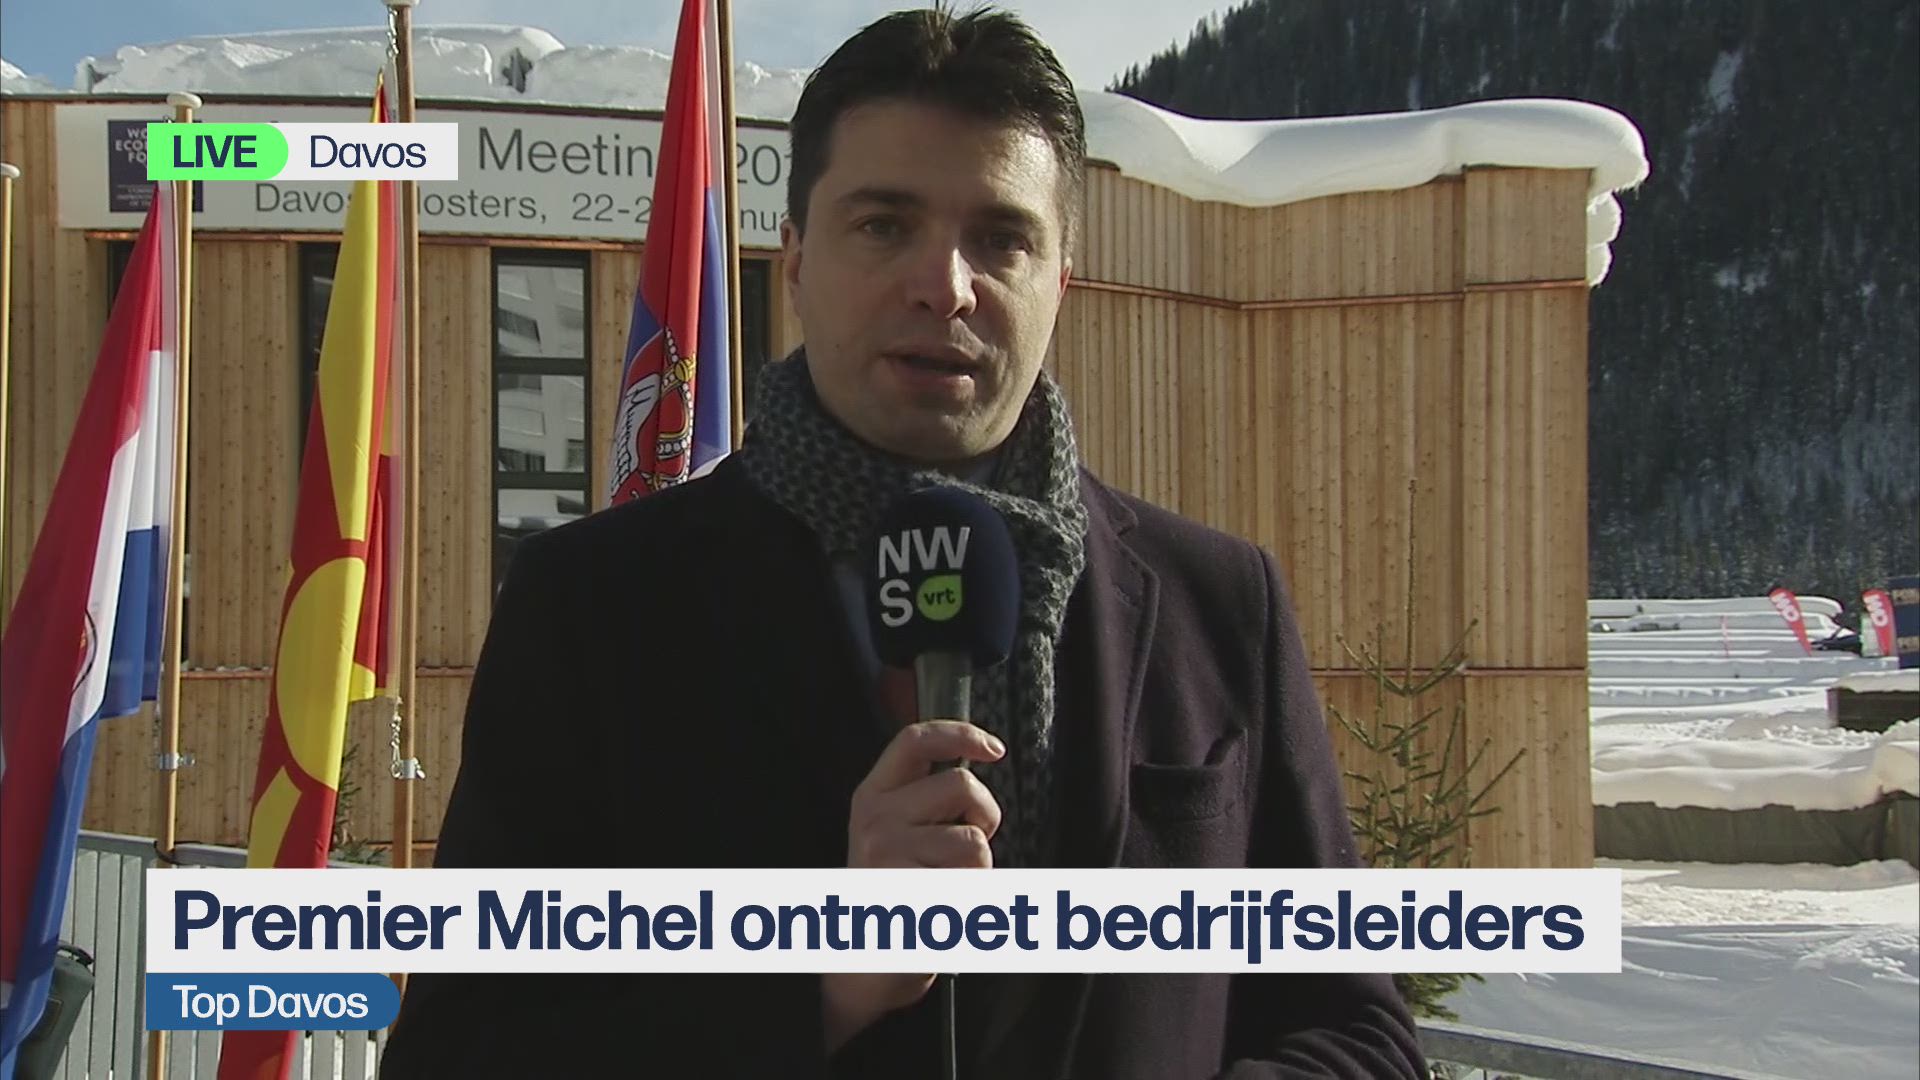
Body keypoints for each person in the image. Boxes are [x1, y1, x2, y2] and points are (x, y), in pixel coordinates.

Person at [380, 7, 1424, 1078]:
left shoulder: (1220, 604)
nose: (946, 284)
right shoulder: (593, 607)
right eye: (885, 225)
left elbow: (1359, 1033)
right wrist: (816, 988)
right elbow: (461, 1055)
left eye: (1002, 238)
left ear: (1061, 280)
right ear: (794, 260)